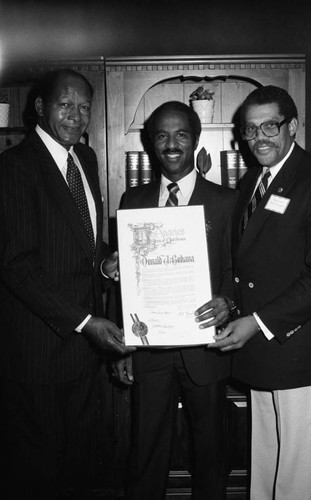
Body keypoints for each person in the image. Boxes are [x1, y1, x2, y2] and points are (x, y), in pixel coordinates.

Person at [0, 68, 134, 500]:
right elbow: (16, 264)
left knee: (77, 465)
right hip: (38, 349)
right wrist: (84, 321)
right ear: (40, 107)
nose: (76, 116)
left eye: (84, 107)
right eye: (65, 104)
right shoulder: (14, 168)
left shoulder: (86, 160)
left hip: (83, 352)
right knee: (38, 470)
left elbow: (81, 242)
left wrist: (106, 264)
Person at [208, 85, 311, 500]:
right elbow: (243, 262)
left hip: (295, 344)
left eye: (270, 126)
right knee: (266, 456)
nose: (259, 137)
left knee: (295, 465)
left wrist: (257, 323)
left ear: (292, 126)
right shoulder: (250, 182)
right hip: (257, 344)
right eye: (250, 129)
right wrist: (228, 302)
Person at [112, 100, 236, 499]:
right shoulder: (132, 202)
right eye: (162, 135)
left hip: (207, 348)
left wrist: (229, 302)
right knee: (146, 452)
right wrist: (125, 346)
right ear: (150, 142)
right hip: (149, 351)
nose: (171, 143)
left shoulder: (226, 202)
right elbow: (126, 284)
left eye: (181, 134)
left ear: (195, 141)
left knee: (210, 453)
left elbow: (240, 271)